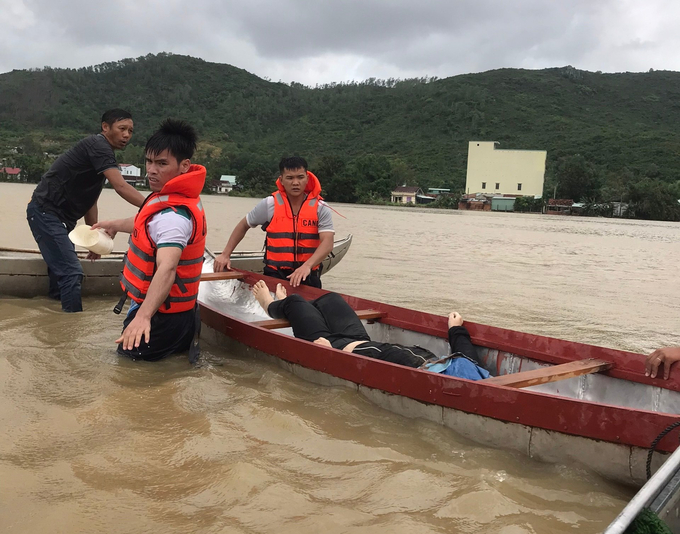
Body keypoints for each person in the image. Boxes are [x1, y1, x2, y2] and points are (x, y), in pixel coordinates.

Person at [93, 119, 207, 362]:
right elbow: (146, 224)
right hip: (184, 314)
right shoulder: (176, 199)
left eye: (162, 163)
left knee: (128, 378)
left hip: (160, 317)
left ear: (185, 166)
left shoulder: (174, 217)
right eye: (149, 161)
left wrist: (143, 316)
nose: (151, 170)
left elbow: (168, 267)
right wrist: (114, 225)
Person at [26, 109, 145, 312]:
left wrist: (93, 239)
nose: (127, 135)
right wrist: (156, 207)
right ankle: (70, 328)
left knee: (61, 273)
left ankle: (53, 316)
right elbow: (121, 187)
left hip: (61, 219)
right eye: (122, 129)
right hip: (46, 212)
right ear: (105, 127)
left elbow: (91, 201)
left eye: (131, 131)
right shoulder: (98, 145)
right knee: (72, 273)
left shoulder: (101, 156)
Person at [251, 281, 490, 379]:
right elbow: (465, 353)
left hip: (333, 346)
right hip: (358, 339)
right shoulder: (470, 369)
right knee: (331, 299)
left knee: (295, 303)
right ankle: (295, 308)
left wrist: (331, 355)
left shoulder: (430, 380)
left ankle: (271, 305)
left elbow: (375, 372)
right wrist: (455, 329)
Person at [213, 157, 334, 288]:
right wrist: (225, 255)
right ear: (281, 180)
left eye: (300, 177)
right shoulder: (269, 204)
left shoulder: (320, 207)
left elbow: (327, 242)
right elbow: (244, 225)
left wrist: (307, 266)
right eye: (290, 178)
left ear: (307, 179)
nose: (295, 182)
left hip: (308, 276)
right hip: (275, 275)